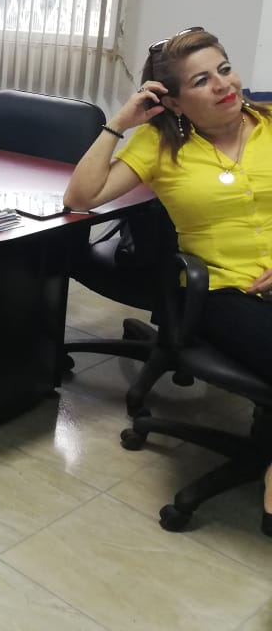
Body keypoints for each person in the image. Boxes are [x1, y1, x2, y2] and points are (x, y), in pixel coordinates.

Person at [62, 26, 272, 535]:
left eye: (224, 69)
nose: (223, 84)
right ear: (173, 102)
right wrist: (119, 123)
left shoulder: (268, 122)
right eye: (202, 80)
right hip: (222, 291)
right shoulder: (159, 144)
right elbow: (80, 198)